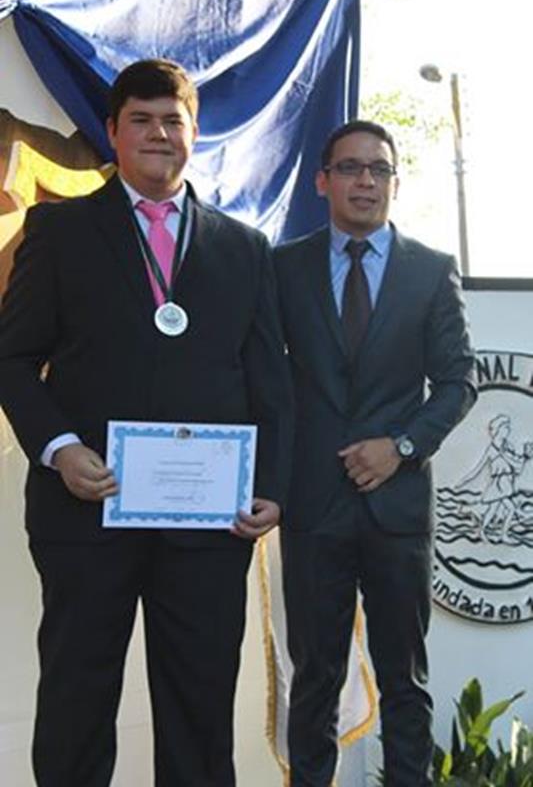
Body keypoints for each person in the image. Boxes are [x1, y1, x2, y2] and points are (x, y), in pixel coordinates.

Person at [0, 58, 293, 787]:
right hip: (85, 510)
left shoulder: (244, 247)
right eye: (141, 119)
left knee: (199, 711)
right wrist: (60, 449)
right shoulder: (59, 229)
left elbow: (271, 384)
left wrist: (271, 486)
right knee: (76, 701)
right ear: (112, 131)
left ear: (194, 132)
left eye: (173, 120)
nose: (159, 133)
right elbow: (12, 357)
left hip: (208, 526)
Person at [273, 119, 477, 787]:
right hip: (312, 507)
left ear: (394, 181)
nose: (365, 181)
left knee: (403, 681)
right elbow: (263, 378)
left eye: (379, 169)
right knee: (314, 680)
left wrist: (402, 446)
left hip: (397, 508)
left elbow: (458, 381)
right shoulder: (283, 267)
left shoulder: (430, 271)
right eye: (350, 168)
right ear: (322, 181)